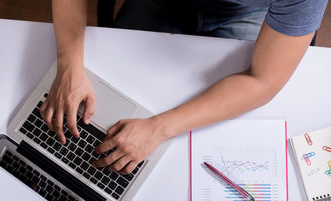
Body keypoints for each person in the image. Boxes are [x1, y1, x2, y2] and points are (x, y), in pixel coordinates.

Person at [40, 0, 327, 174]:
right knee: (101, 113)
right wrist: (69, 66)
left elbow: (263, 81)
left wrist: (159, 127)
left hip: (247, 15)